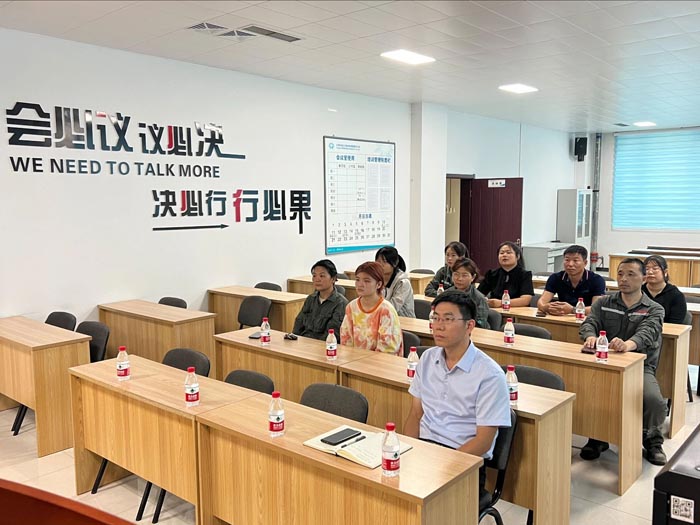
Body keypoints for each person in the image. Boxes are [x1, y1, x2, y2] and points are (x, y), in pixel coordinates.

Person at [404, 289, 511, 498]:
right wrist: (409, 451)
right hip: (424, 452)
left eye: (448, 319)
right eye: (435, 318)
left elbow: (483, 441)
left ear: (469, 326)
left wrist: (443, 467)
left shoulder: (489, 375)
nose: (439, 326)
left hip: (463, 461)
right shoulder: (427, 359)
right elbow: (416, 414)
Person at [579, 258, 667, 465]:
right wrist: (590, 336)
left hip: (639, 367)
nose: (624, 279)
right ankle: (597, 436)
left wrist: (628, 345)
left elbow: (648, 333)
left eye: (630, 274)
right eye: (620, 274)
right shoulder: (604, 303)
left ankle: (652, 440)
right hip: (604, 363)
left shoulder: (654, 309)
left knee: (653, 400)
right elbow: (589, 323)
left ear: (644, 278)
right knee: (590, 390)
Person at [340, 261, 402, 355]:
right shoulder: (351, 307)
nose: (360, 284)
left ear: (378, 284)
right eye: (357, 280)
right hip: (354, 360)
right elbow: (345, 339)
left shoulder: (386, 310)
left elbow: (388, 349)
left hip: (380, 361)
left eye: (367, 281)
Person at [537, 244, 606, 316]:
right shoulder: (556, 278)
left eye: (575, 260)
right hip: (562, 318)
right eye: (567, 260)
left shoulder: (597, 280)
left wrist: (572, 310)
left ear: (585, 263)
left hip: (587, 319)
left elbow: (597, 309)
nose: (570, 264)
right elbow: (541, 302)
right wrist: (545, 307)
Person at [292, 259, 348, 340]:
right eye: (314, 276)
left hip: (323, 345)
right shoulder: (311, 299)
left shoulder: (340, 303)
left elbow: (332, 335)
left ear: (333, 278)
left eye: (322, 276)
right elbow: (298, 325)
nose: (317, 279)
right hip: (304, 342)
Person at [477, 241, 534, 308]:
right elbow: (478, 294)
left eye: (508, 252)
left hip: (517, 310)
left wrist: (501, 303)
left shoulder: (525, 275)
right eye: (501, 253)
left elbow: (525, 300)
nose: (504, 255)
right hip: (494, 310)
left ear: (517, 256)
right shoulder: (491, 274)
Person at [447, 257, 491, 329]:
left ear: (473, 277)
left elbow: (480, 324)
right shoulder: (446, 294)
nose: (459, 278)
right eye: (456, 274)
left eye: (464, 275)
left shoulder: (479, 299)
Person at [642, 255, 687, 324]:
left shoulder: (676, 295)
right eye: (647, 269)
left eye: (655, 269)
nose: (650, 272)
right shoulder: (638, 291)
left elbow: (675, 324)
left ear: (665, 272)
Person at [375, 246, 415, 317]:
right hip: (383, 318)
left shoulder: (403, 283)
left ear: (394, 263)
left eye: (385, 262)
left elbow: (393, 307)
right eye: (378, 261)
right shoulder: (376, 279)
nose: (380, 265)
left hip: (403, 319)